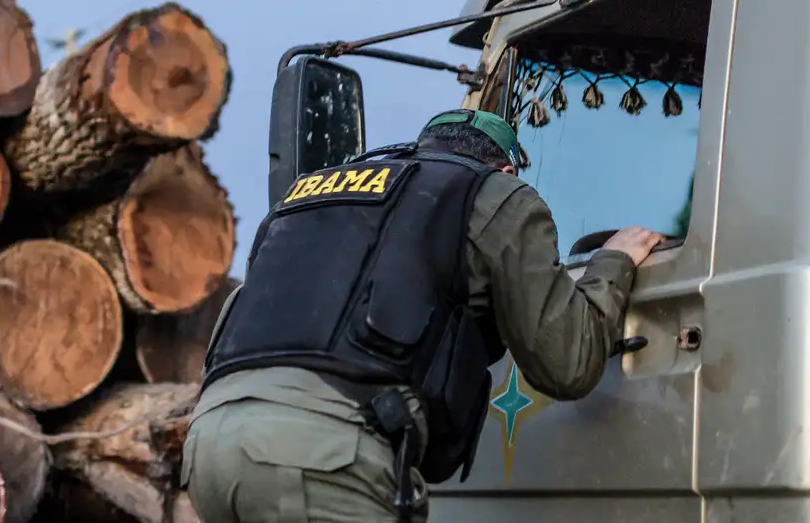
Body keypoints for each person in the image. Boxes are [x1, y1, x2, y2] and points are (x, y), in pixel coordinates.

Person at [180, 108, 665, 523]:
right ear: (506, 171)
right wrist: (614, 260)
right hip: (319, 456)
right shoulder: (495, 193)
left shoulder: (308, 198)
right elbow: (568, 363)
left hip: (208, 447)